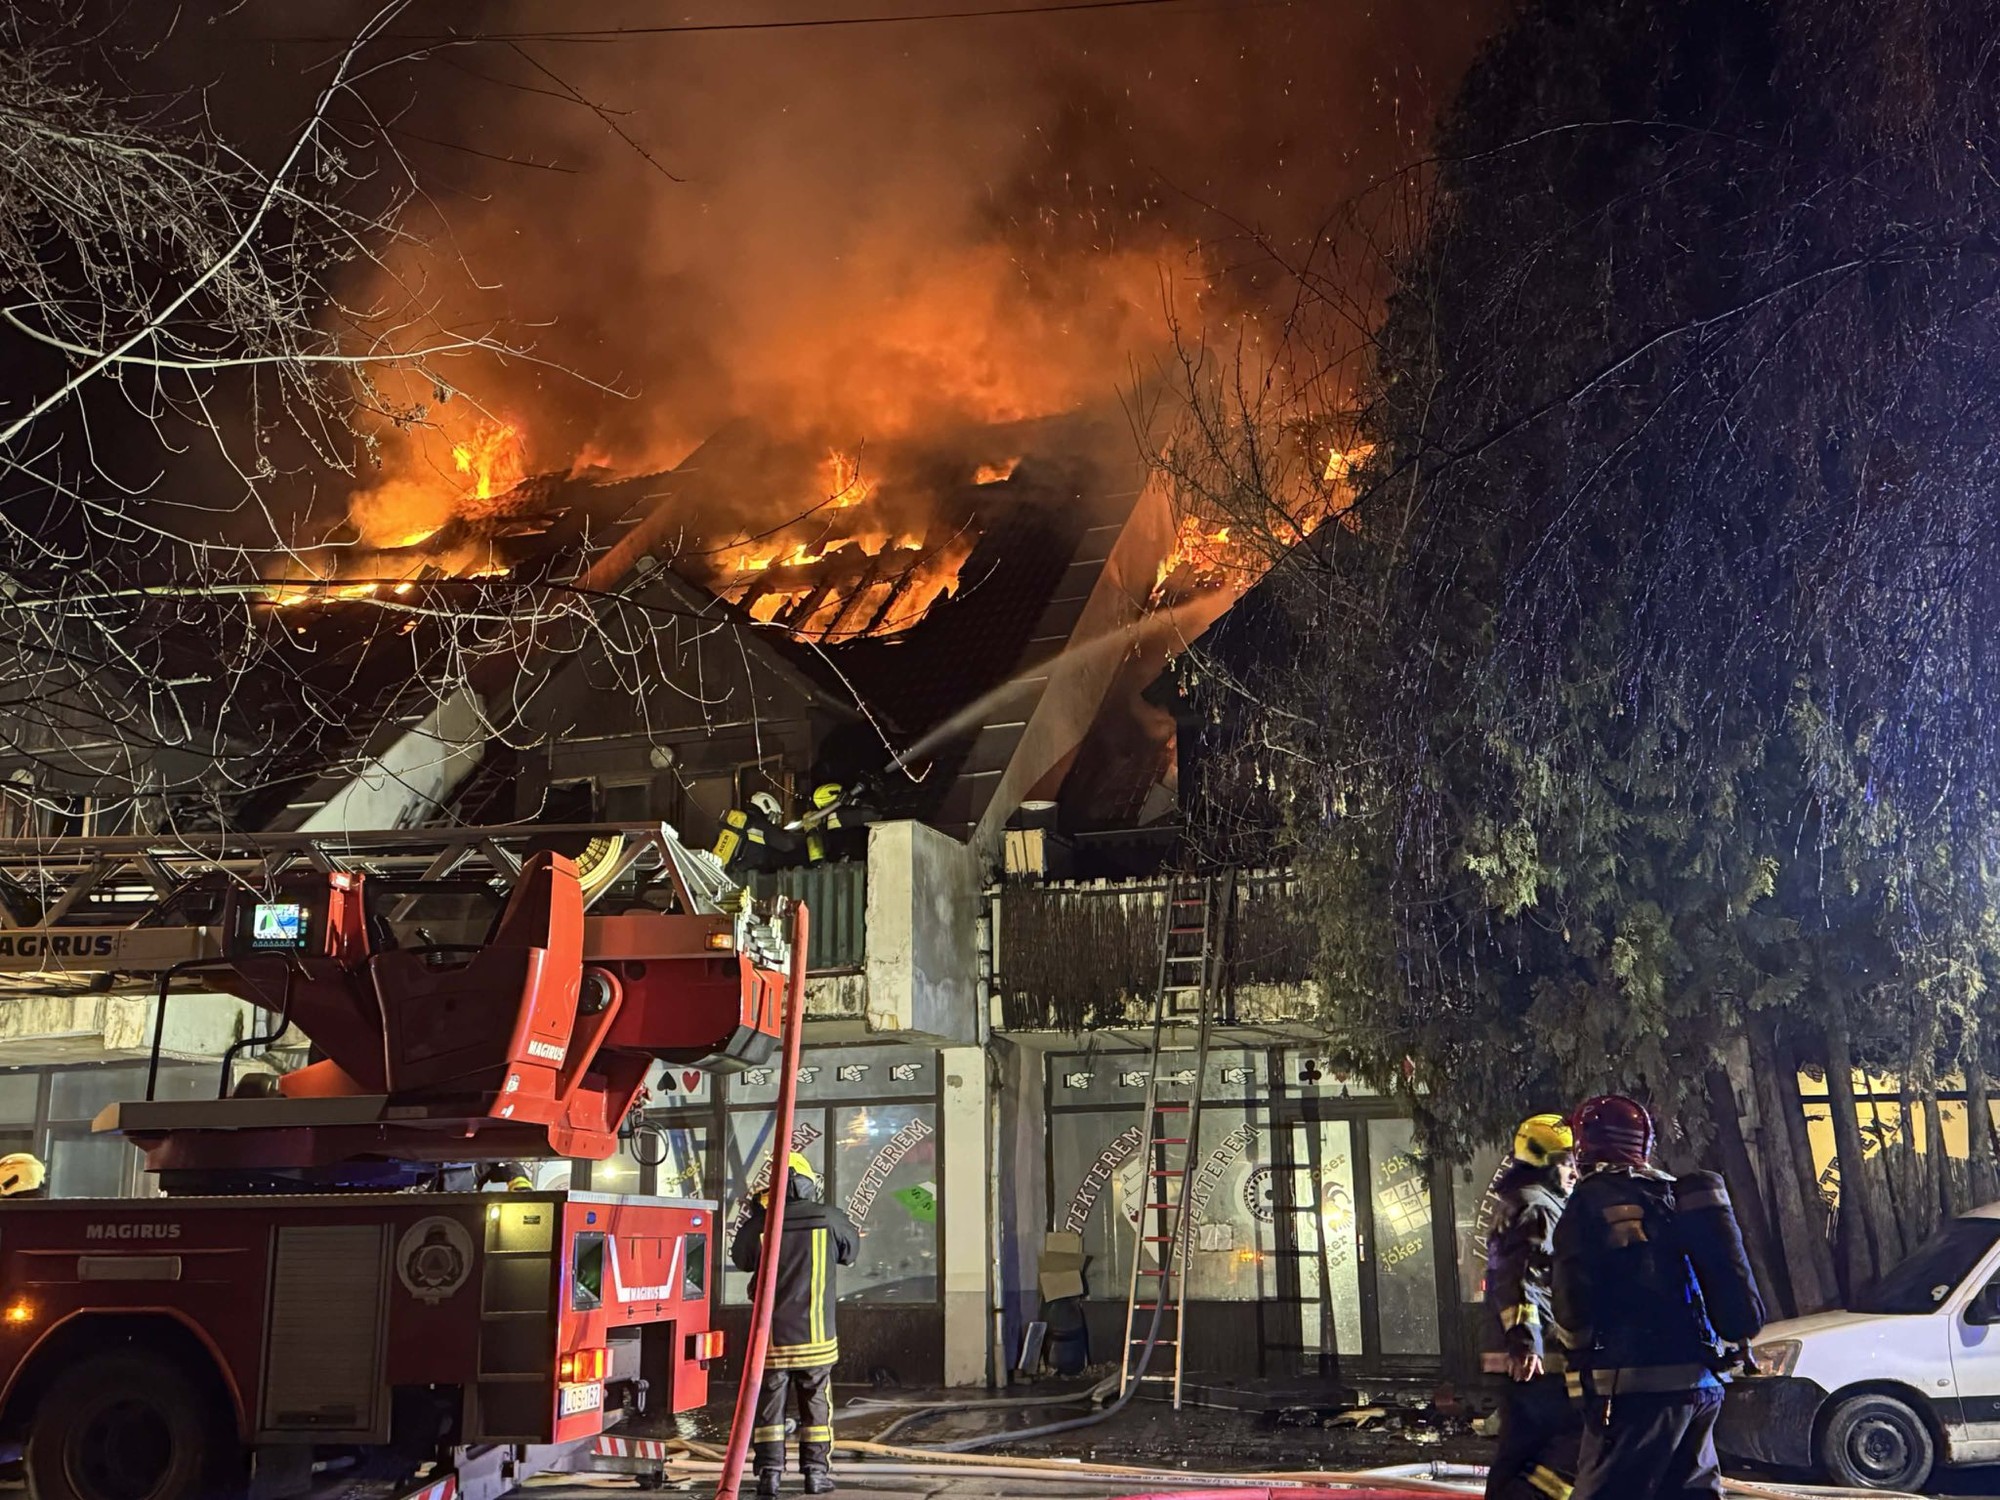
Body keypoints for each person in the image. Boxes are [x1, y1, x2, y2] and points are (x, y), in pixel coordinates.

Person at [1553, 1095, 1765, 1500]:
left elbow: (1571, 1295)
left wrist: (1576, 1359)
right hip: (1701, 1382)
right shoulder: (1675, 1195)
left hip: (1632, 1387)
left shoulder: (1589, 1201)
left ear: (1585, 1144)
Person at [731, 1153, 859, 1497]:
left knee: (770, 1407)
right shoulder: (829, 1218)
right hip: (816, 1337)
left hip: (771, 1339)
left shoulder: (763, 1223)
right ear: (806, 1184)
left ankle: (769, 1477)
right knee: (816, 1404)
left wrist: (757, 1214)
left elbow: (740, 1259)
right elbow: (850, 1253)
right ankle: (815, 1474)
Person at [1483, 1113, 1581, 1500]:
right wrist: (1527, 1342)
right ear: (1543, 1163)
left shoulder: (1523, 1201)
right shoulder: (1537, 1207)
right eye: (1566, 1163)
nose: (1574, 1172)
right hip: (1543, 1363)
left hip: (1528, 1360)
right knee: (1576, 1444)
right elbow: (1524, 1275)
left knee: (1518, 1452)